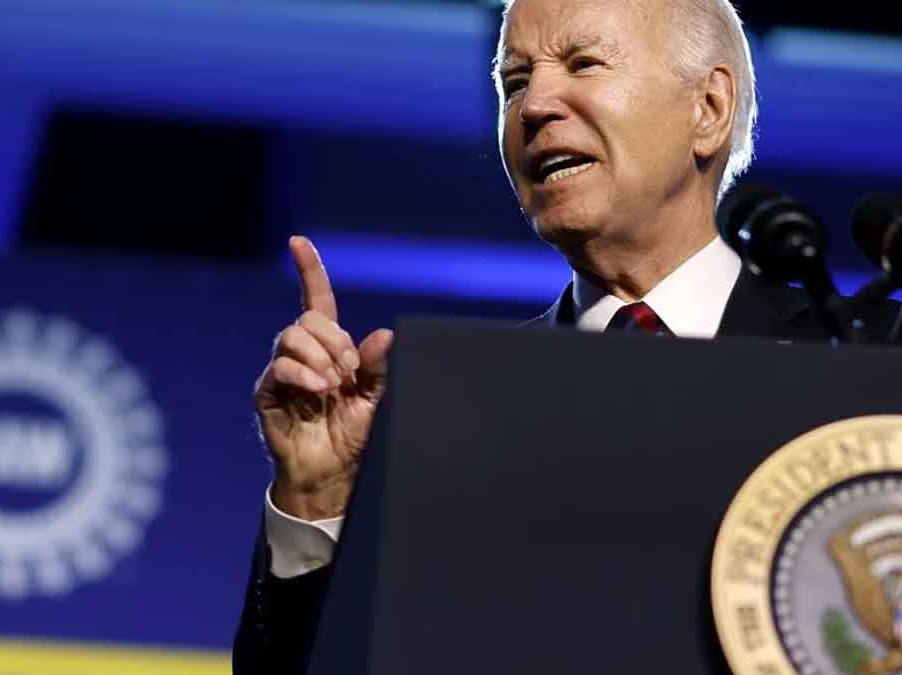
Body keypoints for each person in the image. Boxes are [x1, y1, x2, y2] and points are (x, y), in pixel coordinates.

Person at [232, 0, 898, 673]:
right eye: (514, 82)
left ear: (710, 107)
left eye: (583, 63)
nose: (535, 105)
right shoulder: (457, 414)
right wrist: (317, 503)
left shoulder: (861, 366)